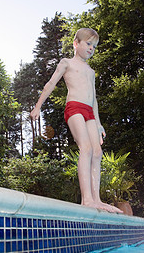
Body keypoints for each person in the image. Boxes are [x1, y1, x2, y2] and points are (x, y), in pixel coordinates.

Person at [30, 28, 123, 213]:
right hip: (74, 108)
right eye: (88, 44)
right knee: (86, 148)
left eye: (94, 46)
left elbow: (94, 99)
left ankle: (97, 199)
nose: (91, 48)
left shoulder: (91, 71)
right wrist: (38, 106)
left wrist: (98, 123)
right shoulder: (67, 63)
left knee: (97, 151)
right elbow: (50, 84)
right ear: (76, 44)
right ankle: (86, 199)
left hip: (89, 111)